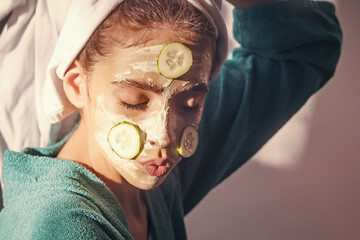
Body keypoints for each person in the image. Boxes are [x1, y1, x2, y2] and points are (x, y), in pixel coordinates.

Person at [0, 0, 342, 239]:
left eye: (191, 103)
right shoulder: (59, 225)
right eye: (133, 102)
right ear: (76, 85)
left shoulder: (155, 168)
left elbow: (305, 47)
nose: (163, 135)